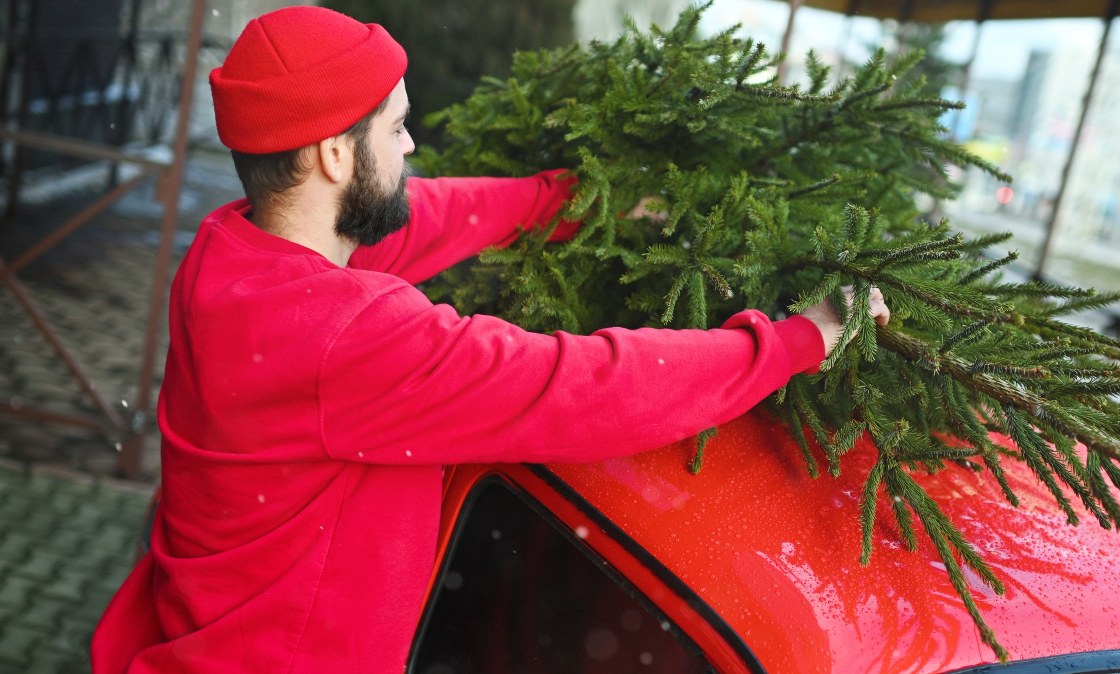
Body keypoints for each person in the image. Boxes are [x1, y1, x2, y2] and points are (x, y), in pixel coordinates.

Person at [90, 6, 890, 673]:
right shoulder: (349, 338)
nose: (410, 146)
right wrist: (797, 340)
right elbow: (585, 386)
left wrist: (562, 201)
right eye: (396, 128)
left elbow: (425, 217)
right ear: (334, 153)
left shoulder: (231, 254)